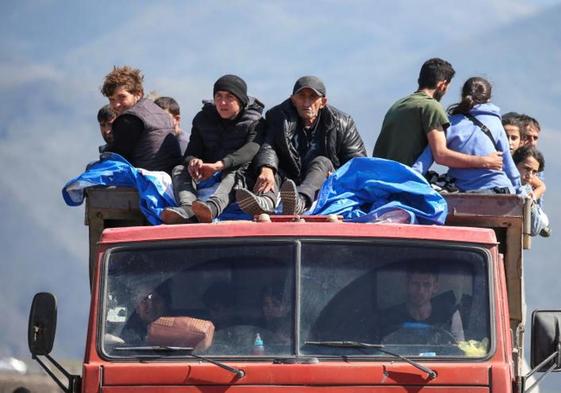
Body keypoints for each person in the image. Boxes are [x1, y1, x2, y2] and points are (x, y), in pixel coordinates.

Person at [235, 75, 367, 216]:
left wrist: (338, 176)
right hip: (288, 181)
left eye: (312, 97)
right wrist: (266, 167)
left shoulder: (343, 123)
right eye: (301, 96)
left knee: (322, 161)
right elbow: (268, 145)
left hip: (323, 178)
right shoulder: (277, 116)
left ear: (323, 102)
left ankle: (300, 202)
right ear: (293, 100)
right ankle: (265, 202)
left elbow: (357, 163)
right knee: (274, 170)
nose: (306, 103)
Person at [160, 74, 264, 224]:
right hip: (207, 173)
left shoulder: (255, 122)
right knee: (179, 169)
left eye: (229, 97)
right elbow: (191, 153)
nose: (222, 102)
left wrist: (220, 165)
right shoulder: (202, 119)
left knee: (233, 174)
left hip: (239, 173)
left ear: (240, 100)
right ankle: (188, 208)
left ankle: (211, 209)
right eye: (218, 96)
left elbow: (250, 150)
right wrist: (193, 162)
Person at [373, 58, 503, 171]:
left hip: (380, 174)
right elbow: (441, 155)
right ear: (442, 85)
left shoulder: (398, 104)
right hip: (402, 179)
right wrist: (484, 161)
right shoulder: (432, 106)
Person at [413, 77, 521, 194]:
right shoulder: (495, 123)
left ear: (462, 96)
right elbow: (509, 166)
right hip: (497, 189)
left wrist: (407, 183)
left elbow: (423, 163)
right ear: (489, 99)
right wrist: (520, 192)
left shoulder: (449, 124)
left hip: (460, 192)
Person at [101, 66, 182, 174]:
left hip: (146, 181)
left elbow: (116, 157)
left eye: (122, 97)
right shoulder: (162, 113)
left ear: (138, 93)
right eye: (112, 99)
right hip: (169, 178)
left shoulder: (129, 119)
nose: (116, 104)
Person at [381, 263, 464, 344]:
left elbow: (461, 349)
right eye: (415, 284)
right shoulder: (390, 318)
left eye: (426, 285)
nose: (420, 291)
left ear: (435, 287)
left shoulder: (450, 315)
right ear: (407, 285)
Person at [513, 145, 550, 237]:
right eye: (527, 169)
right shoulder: (505, 185)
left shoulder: (526, 187)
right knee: (543, 220)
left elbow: (533, 229)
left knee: (544, 220)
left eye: (534, 172)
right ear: (514, 165)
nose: (530, 175)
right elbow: (535, 229)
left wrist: (531, 204)